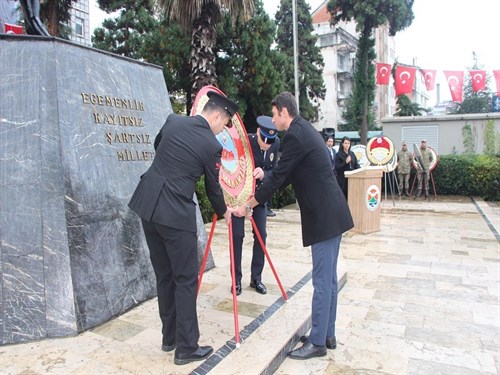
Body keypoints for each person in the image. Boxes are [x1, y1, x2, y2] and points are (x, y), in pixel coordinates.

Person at [236, 92, 354, 360]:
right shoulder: (302, 130)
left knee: (323, 282)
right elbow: (288, 173)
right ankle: (327, 333)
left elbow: (278, 178)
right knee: (330, 280)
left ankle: (317, 342)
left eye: (274, 114)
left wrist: (250, 204)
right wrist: (267, 176)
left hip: (324, 216)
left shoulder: (294, 135)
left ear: (283, 112)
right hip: (332, 212)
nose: (273, 119)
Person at [128, 91, 240, 366]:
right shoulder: (210, 145)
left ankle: (170, 338)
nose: (222, 129)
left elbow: (158, 146)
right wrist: (225, 211)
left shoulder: (173, 121)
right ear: (215, 115)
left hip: (148, 205)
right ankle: (187, 347)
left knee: (164, 276)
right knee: (185, 279)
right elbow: (213, 189)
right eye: (224, 122)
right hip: (175, 214)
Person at [231, 115, 280, 296]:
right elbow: (233, 167)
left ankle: (256, 278)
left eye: (269, 144)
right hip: (240, 198)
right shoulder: (245, 142)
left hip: (259, 198)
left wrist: (264, 174)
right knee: (237, 236)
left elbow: (275, 169)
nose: (265, 146)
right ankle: (236, 280)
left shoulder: (275, 143)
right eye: (262, 142)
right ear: (258, 132)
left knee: (261, 236)